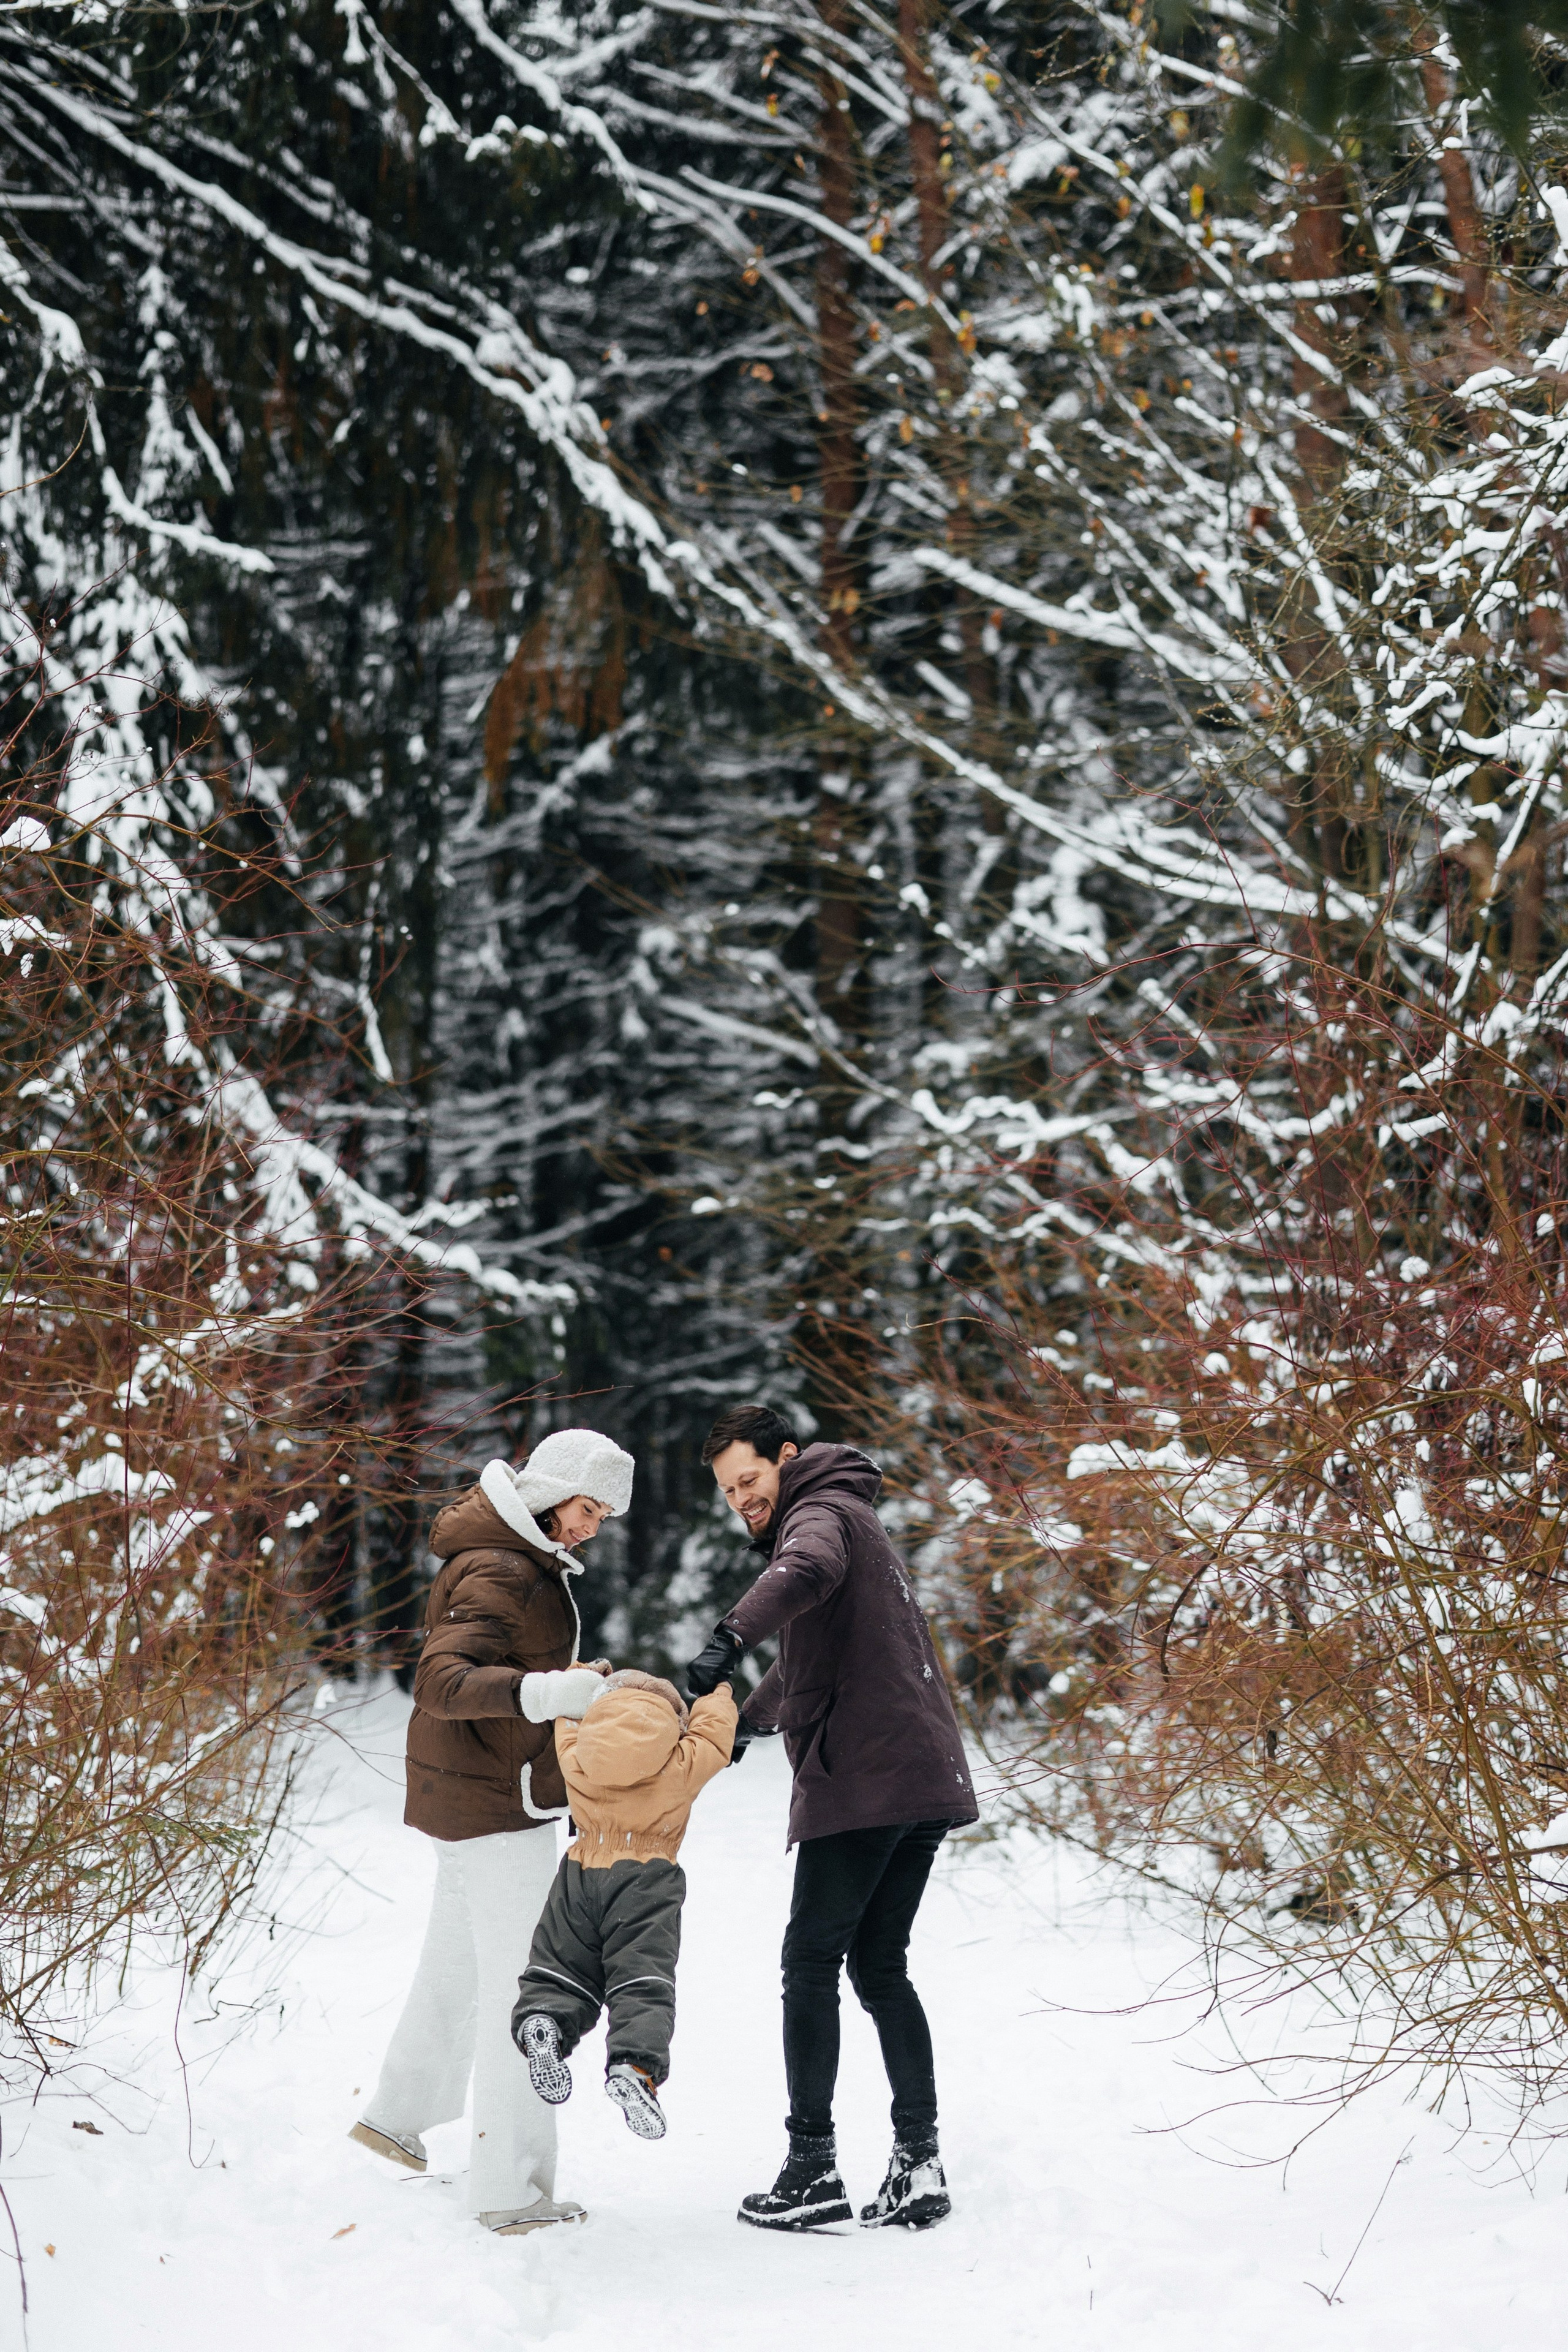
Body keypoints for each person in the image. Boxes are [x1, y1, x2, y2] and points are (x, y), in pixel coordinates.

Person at [687, 1403, 977, 2235]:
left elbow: (802, 1573)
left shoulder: (816, 1516)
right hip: (919, 1774)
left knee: (808, 1962)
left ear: (786, 1458)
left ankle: (811, 2167)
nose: (742, 1498)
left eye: (750, 1479)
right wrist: (746, 1718)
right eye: (728, 1490)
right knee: (880, 1966)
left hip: (867, 1777)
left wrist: (725, 1638)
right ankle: (918, 2164)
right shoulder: (851, 1513)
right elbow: (815, 1660)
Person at [348, 1427, 635, 2237]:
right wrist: (550, 1694)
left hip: (471, 1799)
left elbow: (502, 1675)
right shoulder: (505, 1566)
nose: (591, 1527)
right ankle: (509, 2190)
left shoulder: (511, 1555)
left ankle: (397, 2116)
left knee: (461, 1965)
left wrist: (569, 1687)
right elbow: (441, 1682)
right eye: (587, 1508)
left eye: (603, 1516)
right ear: (552, 1490)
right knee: (528, 1992)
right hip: (494, 1810)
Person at [511, 1667, 737, 2141]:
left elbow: (566, 1719)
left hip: (580, 1871)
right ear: (672, 1724)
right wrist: (718, 1693)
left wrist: (582, 1675)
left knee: (561, 1965)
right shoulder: (678, 1762)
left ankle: (546, 2018)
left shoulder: (579, 1752)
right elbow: (715, 1738)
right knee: (641, 1978)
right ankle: (635, 2065)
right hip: (647, 1878)